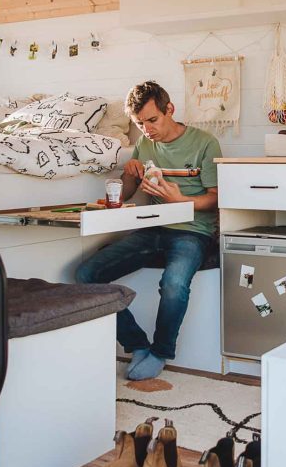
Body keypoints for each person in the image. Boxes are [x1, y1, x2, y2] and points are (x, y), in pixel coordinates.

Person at [76, 81, 222, 380]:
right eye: (139, 124)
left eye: (152, 120)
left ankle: (160, 352)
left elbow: (215, 198)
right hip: (152, 226)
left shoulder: (205, 142)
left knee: (174, 284)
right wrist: (128, 173)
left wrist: (180, 200)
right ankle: (137, 344)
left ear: (170, 109)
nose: (147, 130)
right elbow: (128, 194)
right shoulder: (144, 143)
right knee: (85, 275)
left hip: (192, 231)